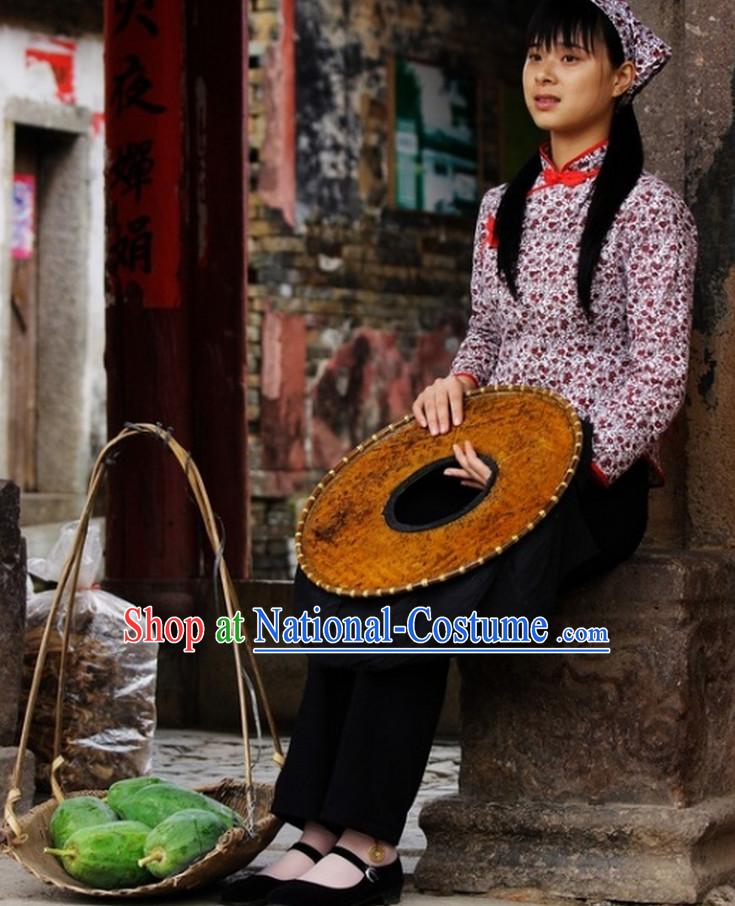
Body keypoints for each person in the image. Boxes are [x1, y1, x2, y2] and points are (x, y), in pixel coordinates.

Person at [219, 1, 698, 904]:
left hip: (589, 482)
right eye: (533, 56)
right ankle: (315, 823)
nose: (543, 75)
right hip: (481, 456)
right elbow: (486, 332)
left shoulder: (648, 212)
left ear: (623, 77)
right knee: (360, 562)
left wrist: (545, 470)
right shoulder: (498, 207)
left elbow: (658, 379)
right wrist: (455, 384)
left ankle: (370, 842)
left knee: (427, 587)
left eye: (569, 58)